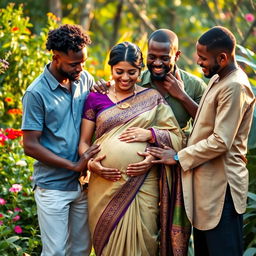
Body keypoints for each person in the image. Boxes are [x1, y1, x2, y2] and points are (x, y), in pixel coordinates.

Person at [147, 26, 256, 256]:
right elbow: (204, 125)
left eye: (203, 58)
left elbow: (220, 141)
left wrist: (177, 156)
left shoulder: (235, 86)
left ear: (223, 58)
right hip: (206, 188)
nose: (198, 61)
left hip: (222, 189)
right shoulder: (218, 79)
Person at [79, 41, 190, 256]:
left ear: (140, 71)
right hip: (104, 184)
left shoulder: (152, 98)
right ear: (110, 68)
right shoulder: (95, 98)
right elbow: (84, 142)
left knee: (145, 243)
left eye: (132, 72)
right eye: (119, 71)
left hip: (143, 184)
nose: (125, 77)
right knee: (107, 244)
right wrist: (91, 164)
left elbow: (177, 136)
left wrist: (151, 135)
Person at [21, 24, 100, 256]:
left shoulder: (85, 79)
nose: (80, 68)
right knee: (55, 252)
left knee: (81, 250)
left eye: (83, 62)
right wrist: (73, 165)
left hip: (83, 185)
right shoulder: (36, 93)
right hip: (53, 187)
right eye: (74, 64)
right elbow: (30, 145)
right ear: (56, 58)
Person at [93, 29, 207, 135]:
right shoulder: (135, 81)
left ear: (176, 56)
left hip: (177, 151)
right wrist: (102, 87)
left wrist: (182, 95)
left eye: (164, 58)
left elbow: (207, 123)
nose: (157, 63)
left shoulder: (194, 85)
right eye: (152, 57)